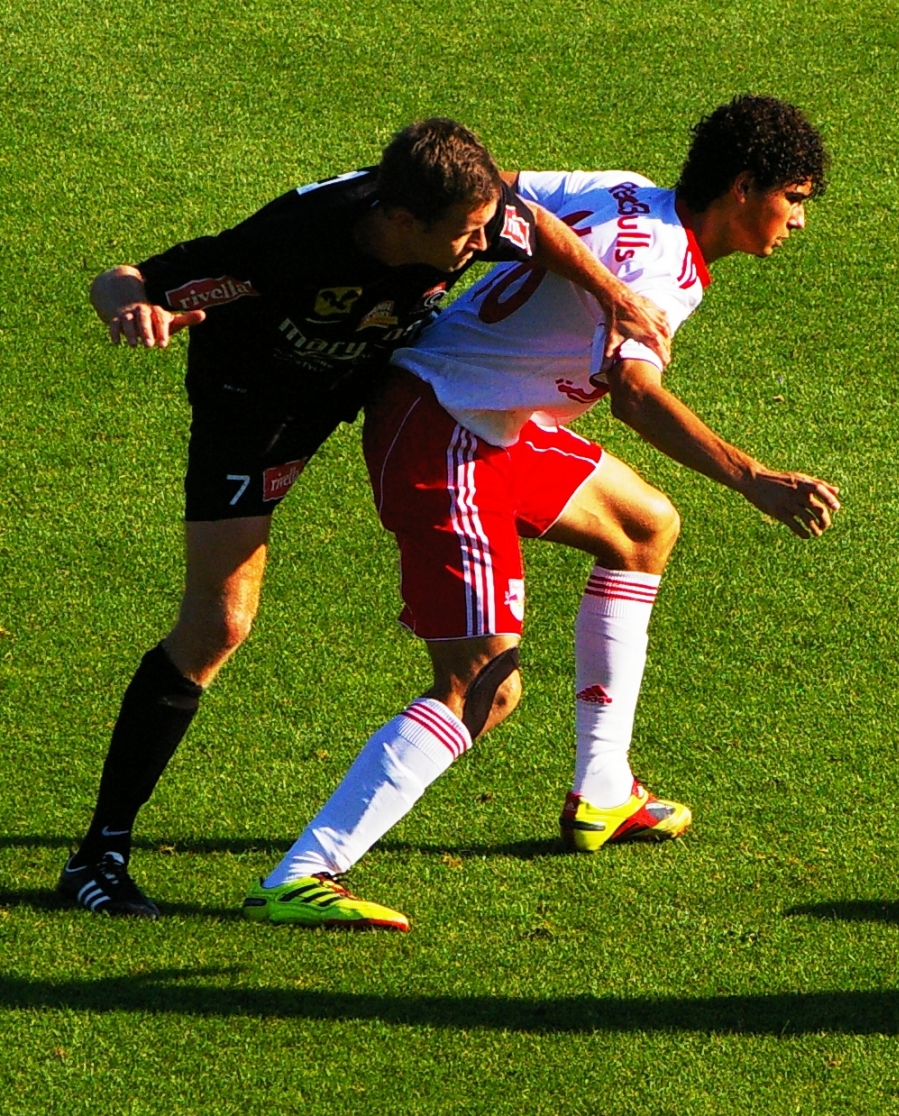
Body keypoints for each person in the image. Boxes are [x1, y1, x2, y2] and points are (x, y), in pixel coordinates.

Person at [242, 95, 837, 931]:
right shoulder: (660, 269)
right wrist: (753, 478)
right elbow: (634, 395)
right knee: (481, 688)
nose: (798, 222)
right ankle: (304, 870)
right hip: (447, 430)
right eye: (796, 199)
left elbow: (496, 186)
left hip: (497, 418)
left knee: (642, 526)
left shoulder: (627, 189)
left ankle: (603, 790)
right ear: (744, 188)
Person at [64, 118, 675, 919]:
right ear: (398, 222)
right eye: (464, 234)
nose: (479, 245)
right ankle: (98, 856)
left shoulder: (463, 213)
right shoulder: (289, 243)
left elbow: (538, 226)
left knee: (639, 525)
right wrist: (134, 310)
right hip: (259, 415)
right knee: (217, 625)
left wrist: (614, 295)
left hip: (378, 392)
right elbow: (126, 279)